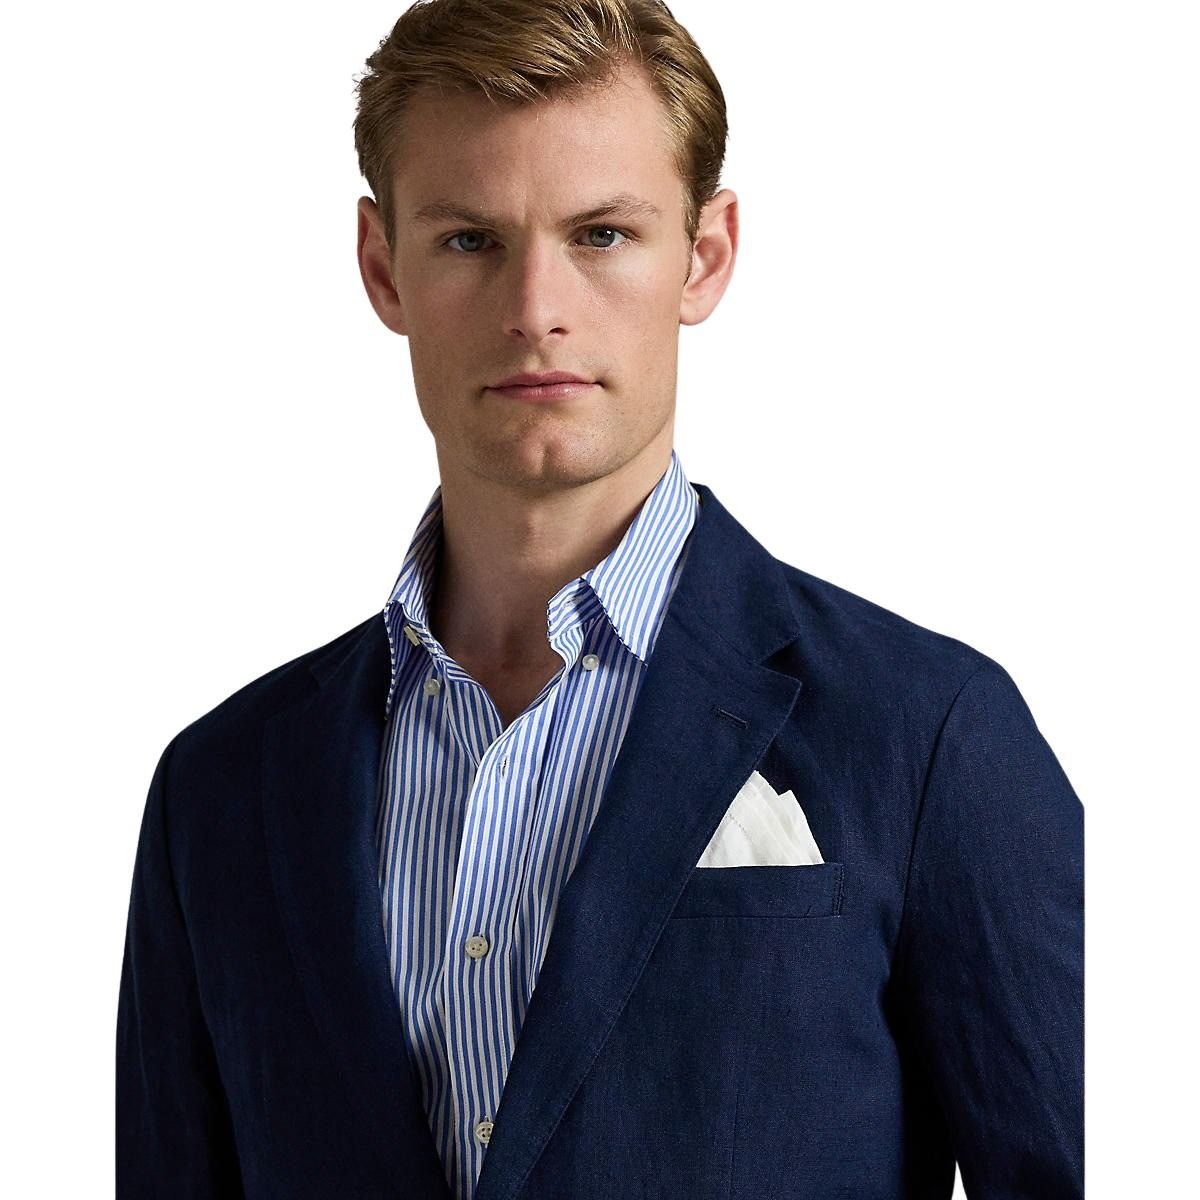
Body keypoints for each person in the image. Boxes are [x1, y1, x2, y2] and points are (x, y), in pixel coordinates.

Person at [115, 1, 1084, 1197]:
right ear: (382, 265)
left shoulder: (928, 734)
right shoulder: (222, 790)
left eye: (604, 234)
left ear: (705, 256)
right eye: (471, 239)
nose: (536, 309)